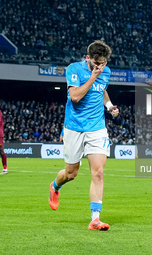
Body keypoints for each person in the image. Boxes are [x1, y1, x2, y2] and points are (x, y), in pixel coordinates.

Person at [48, 40, 119, 231]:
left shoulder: (106, 71)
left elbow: (102, 89)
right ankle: (55, 186)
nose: (100, 67)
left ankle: (95, 219)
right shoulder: (74, 69)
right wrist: (94, 76)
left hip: (96, 128)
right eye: (96, 63)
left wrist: (109, 106)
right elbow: (76, 96)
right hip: (74, 127)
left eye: (103, 63)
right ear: (88, 58)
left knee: (98, 172)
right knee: (71, 174)